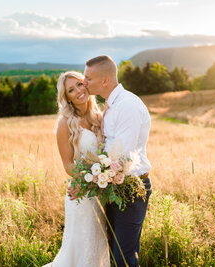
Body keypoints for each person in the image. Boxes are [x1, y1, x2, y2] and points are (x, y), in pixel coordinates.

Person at [82, 55, 152, 267]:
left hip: (131, 188)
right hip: (112, 185)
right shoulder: (111, 104)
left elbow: (120, 155)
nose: (84, 82)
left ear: (105, 80)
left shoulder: (127, 105)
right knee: (114, 252)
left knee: (125, 257)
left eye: (88, 79)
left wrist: (88, 175)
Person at [43, 71, 110, 267]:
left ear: (87, 84)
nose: (78, 91)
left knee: (98, 245)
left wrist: (102, 178)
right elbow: (68, 165)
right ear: (68, 98)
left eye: (80, 84)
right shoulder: (65, 123)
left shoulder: (100, 117)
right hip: (80, 194)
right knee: (80, 247)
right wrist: (90, 179)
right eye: (71, 90)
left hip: (101, 192)